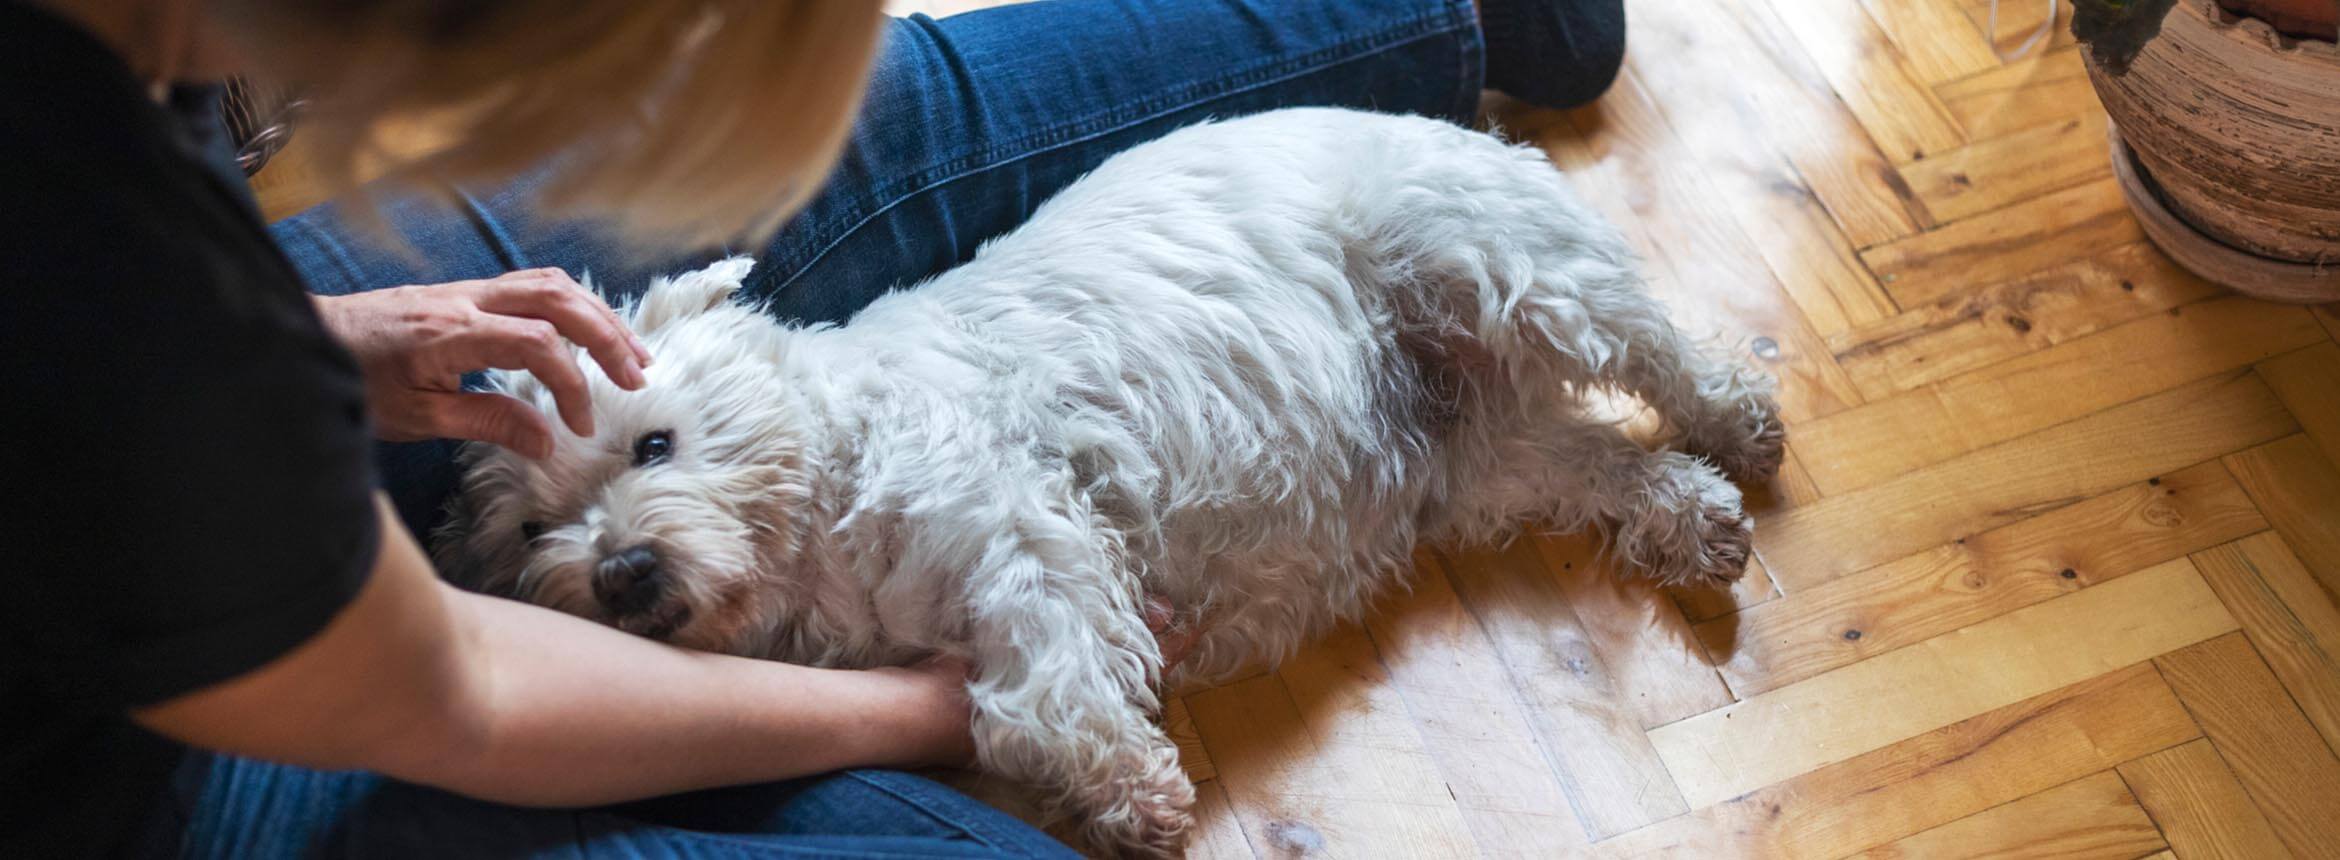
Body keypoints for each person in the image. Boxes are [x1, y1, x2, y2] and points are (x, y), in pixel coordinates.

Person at [0, 0, 1625, 857]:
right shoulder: (115, 292)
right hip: (120, 790)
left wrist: (326, 334)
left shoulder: (118, 176)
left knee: (791, 168)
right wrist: (931, 709)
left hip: (136, 402)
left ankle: (1444, 17)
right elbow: (463, 693)